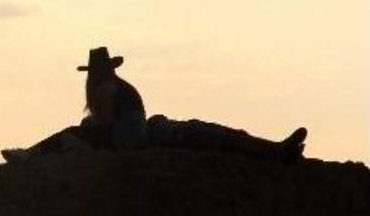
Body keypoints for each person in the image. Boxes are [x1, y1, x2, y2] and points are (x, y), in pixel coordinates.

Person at [77, 46, 307, 160]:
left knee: (215, 135)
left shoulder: (104, 90)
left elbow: (107, 129)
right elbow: (112, 130)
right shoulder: (110, 89)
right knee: (216, 135)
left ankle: (276, 150)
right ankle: (276, 150)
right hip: (156, 134)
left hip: (155, 133)